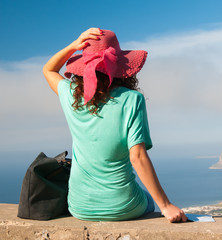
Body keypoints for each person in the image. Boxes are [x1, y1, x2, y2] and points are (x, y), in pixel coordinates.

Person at [43, 28, 187, 223]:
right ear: (121, 67)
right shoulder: (132, 100)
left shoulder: (71, 95)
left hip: (80, 206)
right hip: (123, 207)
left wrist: (73, 46)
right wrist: (166, 205)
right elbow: (137, 156)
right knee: (147, 200)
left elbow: (49, 69)